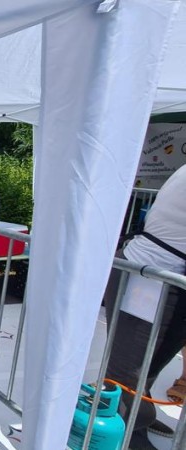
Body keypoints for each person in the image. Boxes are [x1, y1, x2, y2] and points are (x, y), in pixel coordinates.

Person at [104, 164, 186, 449]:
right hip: (147, 277)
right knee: (128, 368)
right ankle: (125, 432)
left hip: (170, 276)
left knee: (153, 361)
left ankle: (140, 414)